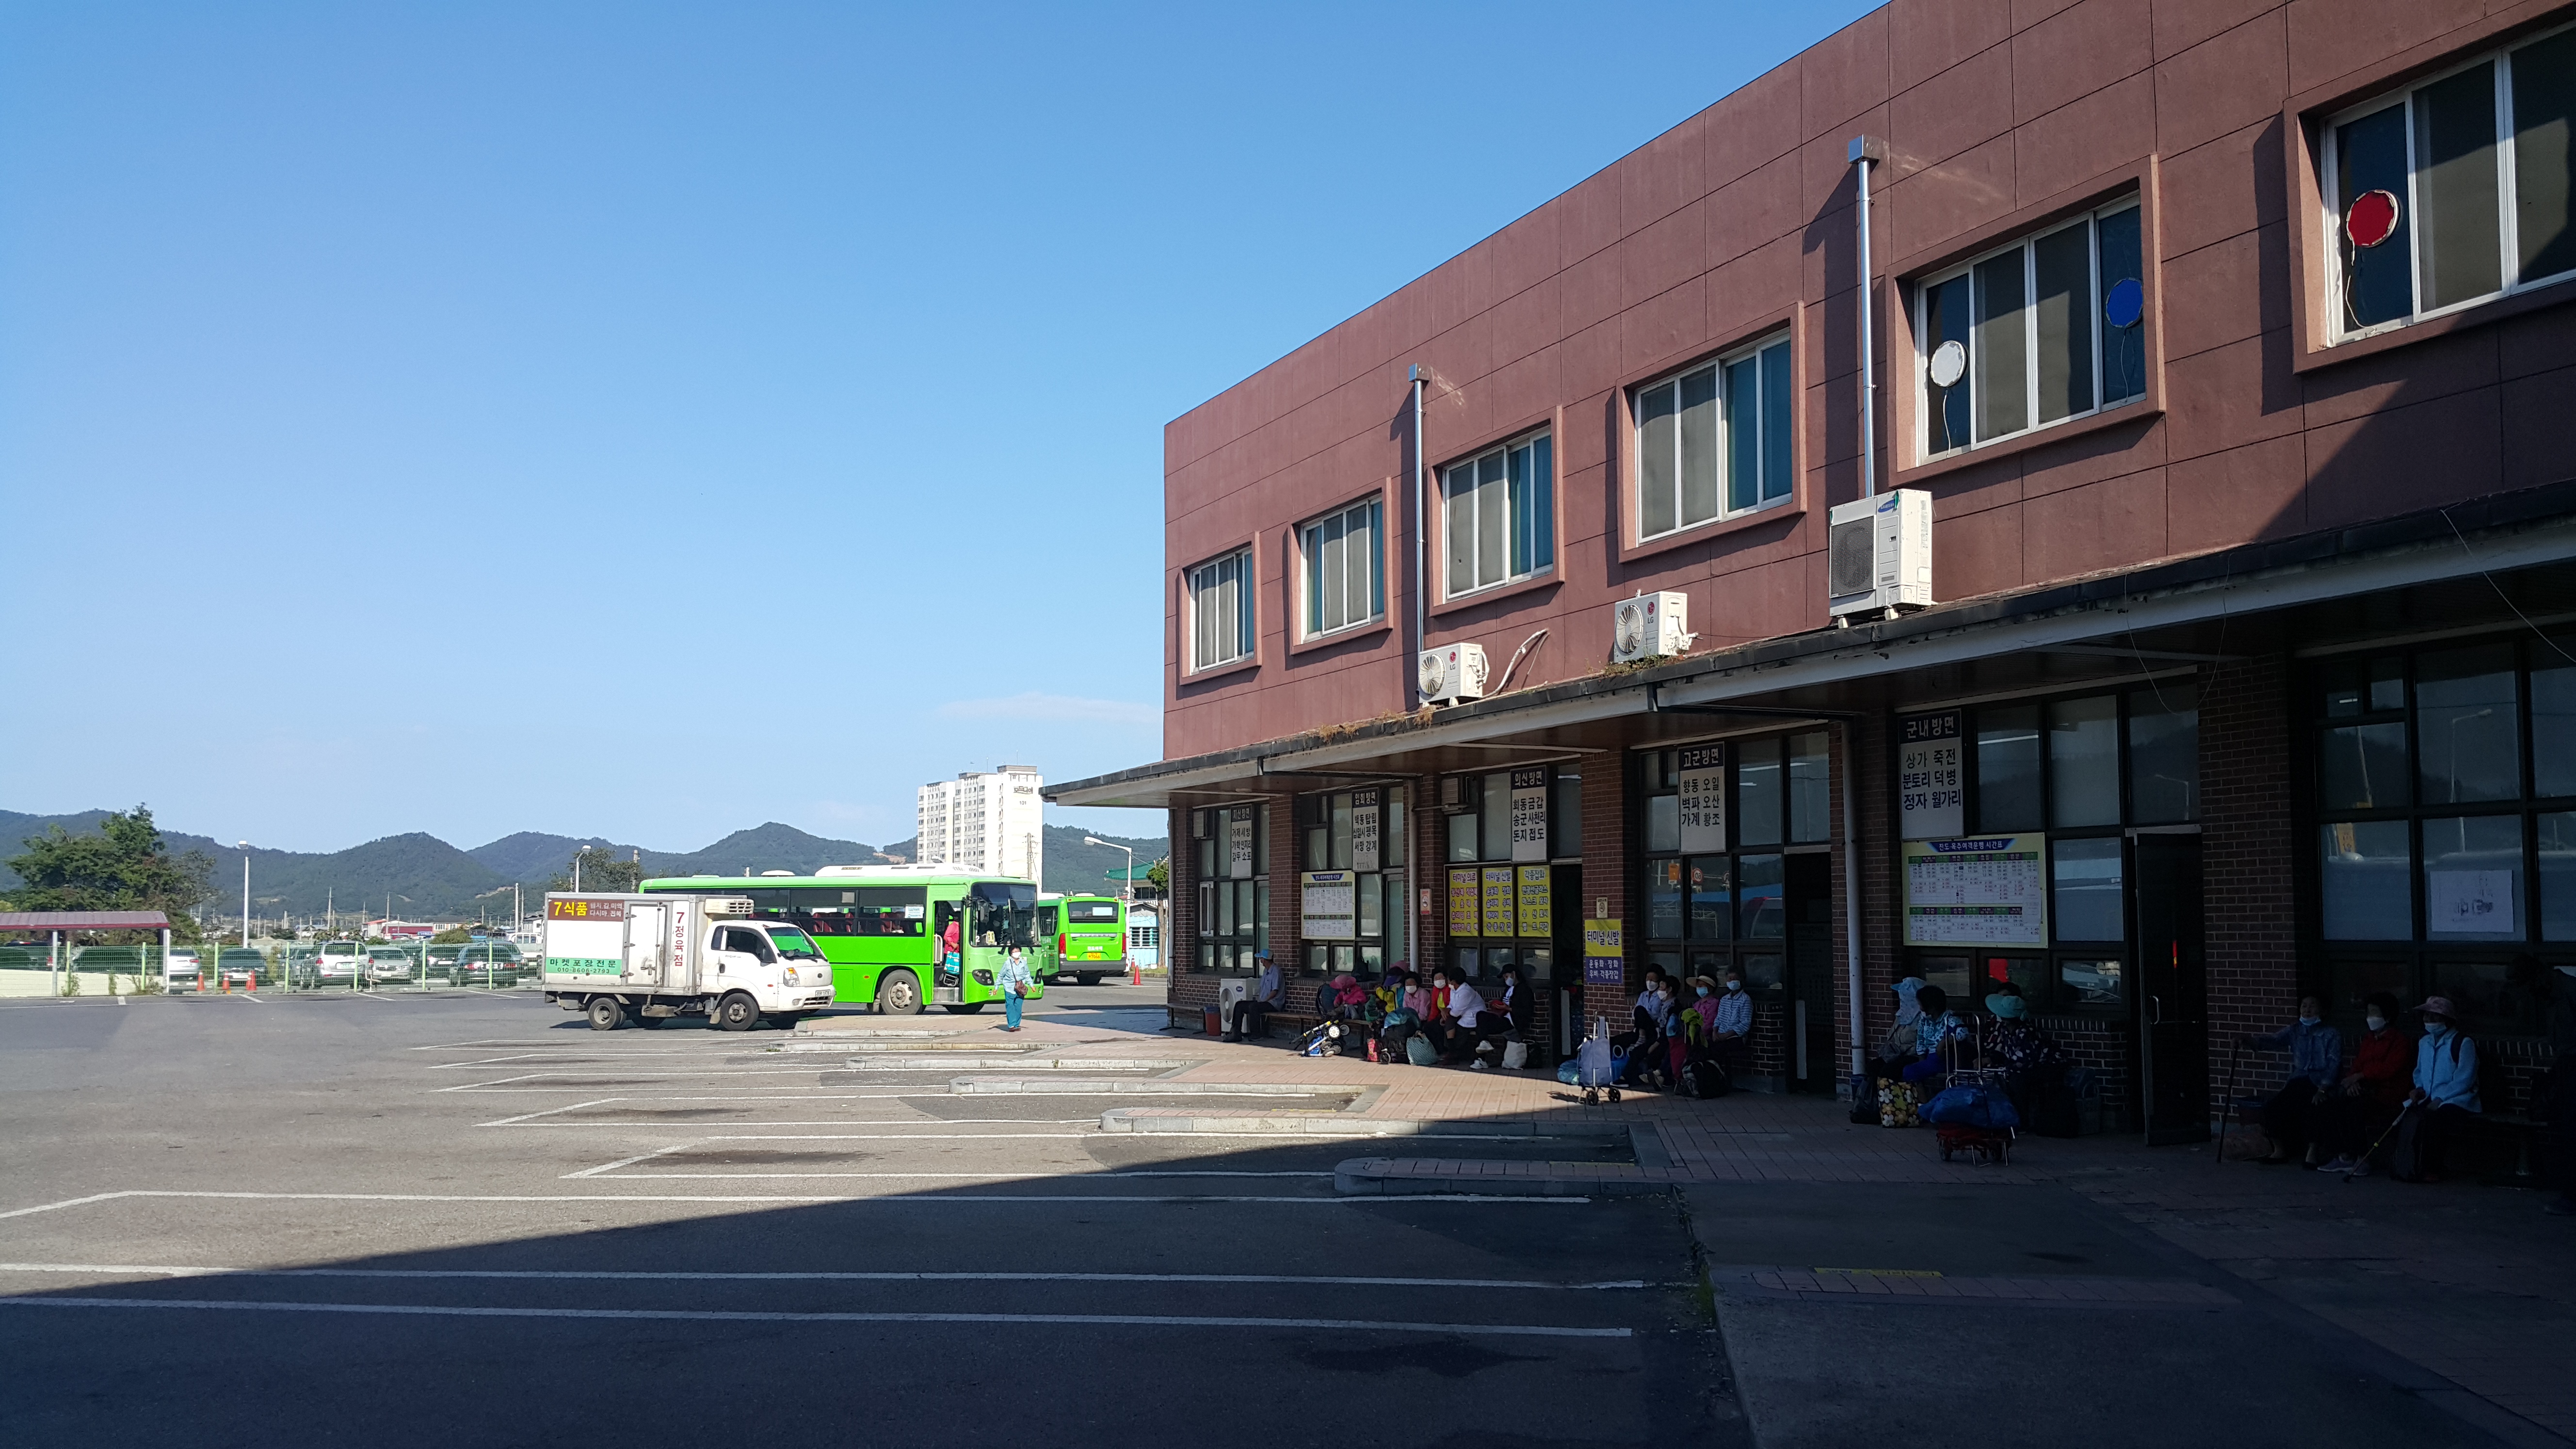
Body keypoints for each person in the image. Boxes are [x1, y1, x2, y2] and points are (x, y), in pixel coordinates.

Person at [2508, 957, 2576, 1215]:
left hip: (2572, 1063)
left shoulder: (2568, 990)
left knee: (2571, 1129)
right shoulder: (2553, 994)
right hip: (2566, 1063)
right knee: (2567, 1128)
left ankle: (2572, 1196)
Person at [2389, 996, 2481, 1183]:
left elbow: (2465, 1079)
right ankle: (2407, 1165)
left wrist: (2440, 1098)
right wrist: (2419, 1089)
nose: (2429, 1020)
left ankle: (2433, 1168)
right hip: (2428, 1097)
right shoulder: (2424, 1042)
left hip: (2457, 1099)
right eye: (2427, 1016)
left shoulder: (2463, 1043)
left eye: (2435, 1016)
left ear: (2447, 1019)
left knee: (2436, 1120)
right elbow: (2419, 1072)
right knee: (2405, 1117)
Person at [2317, 992, 2411, 1176]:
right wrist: (2352, 1082)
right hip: (2363, 1090)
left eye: (2374, 1013)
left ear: (2388, 1016)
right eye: (2368, 1013)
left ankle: (2362, 1158)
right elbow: (2358, 1065)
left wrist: (2360, 1076)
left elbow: (2389, 1069)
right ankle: (2343, 1156)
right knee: (2327, 1105)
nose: (2370, 1017)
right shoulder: (2369, 1039)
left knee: (2354, 1110)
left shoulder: (2399, 1042)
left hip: (2387, 1094)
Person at [2243, 995, 2343, 1166]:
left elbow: (2334, 1063)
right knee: (2274, 1107)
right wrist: (2250, 1041)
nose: (2307, 1010)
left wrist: (2323, 1089)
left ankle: (2312, 1152)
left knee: (2315, 1108)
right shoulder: (2295, 1030)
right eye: (2304, 1006)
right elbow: (2274, 1040)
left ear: (2323, 1011)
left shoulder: (2331, 1034)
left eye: (2312, 1006)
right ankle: (2279, 1150)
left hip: (2319, 1083)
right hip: (2298, 1081)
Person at [1982, 987, 2068, 1123]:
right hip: (2027, 1065)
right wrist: (1991, 1059)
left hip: (2049, 1066)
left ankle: (2021, 1121)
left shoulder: (2027, 1033)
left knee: (2017, 1080)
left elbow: (2024, 1063)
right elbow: (2007, 1053)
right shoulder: (2006, 1030)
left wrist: (2005, 1069)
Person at [1225, 954, 1283, 1042]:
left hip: (1273, 1003)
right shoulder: (1266, 971)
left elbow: (1274, 991)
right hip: (1263, 1001)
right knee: (1239, 1005)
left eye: (1261, 958)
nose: (1260, 961)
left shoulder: (1276, 971)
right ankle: (1235, 1033)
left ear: (1264, 960)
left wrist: (1264, 1001)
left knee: (1254, 1007)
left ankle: (1256, 1034)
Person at [1708, 969, 1752, 1078]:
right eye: (1730, 979)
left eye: (1735, 979)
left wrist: (1726, 1036)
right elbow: (1718, 1018)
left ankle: (1718, 1077)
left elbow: (1745, 1024)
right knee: (1706, 1046)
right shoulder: (1724, 999)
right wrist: (1715, 1032)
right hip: (1720, 1034)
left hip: (1736, 1038)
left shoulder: (1745, 1000)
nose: (1732, 981)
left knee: (1717, 1050)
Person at [996, 944, 1035, 1032]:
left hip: (1020, 989)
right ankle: (1012, 1025)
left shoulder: (1023, 963)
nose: (1016, 953)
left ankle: (1016, 1025)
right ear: (1011, 954)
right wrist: (996, 987)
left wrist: (1032, 986)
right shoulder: (1007, 964)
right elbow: (1001, 975)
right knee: (1010, 1006)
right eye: (1014, 952)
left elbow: (1027, 975)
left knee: (1018, 1008)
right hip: (1009, 988)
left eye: (1018, 951)